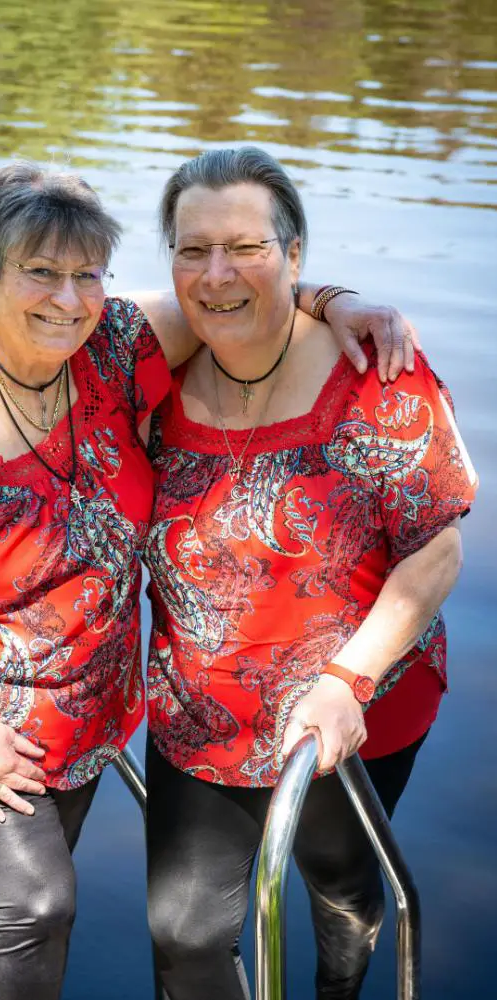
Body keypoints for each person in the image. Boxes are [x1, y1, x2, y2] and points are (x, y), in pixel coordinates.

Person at [0, 159, 415, 1000]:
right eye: (40, 272)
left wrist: (342, 303)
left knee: (22, 903)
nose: (68, 299)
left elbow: (234, 294)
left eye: (88, 275)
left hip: (95, 709)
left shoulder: (110, 348)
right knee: (39, 900)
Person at [144, 147, 478, 1000]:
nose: (216, 274)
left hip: (346, 713)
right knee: (183, 931)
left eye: (245, 247)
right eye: (192, 250)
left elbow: (437, 549)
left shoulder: (377, 377)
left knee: (341, 895)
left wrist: (346, 680)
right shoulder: (148, 370)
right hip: (199, 710)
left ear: (295, 255)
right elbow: (22, 341)